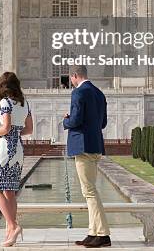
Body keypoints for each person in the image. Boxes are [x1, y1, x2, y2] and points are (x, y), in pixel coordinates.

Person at [63, 65, 111, 248]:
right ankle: (93, 232)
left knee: (90, 192)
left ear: (75, 76)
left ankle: (103, 235)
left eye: (71, 79)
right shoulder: (99, 93)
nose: (71, 82)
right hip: (95, 145)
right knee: (89, 190)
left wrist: (65, 120)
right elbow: (103, 123)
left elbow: (75, 120)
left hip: (83, 146)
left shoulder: (78, 93)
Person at [0, 71, 33, 247]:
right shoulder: (25, 104)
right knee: (10, 191)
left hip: (6, 150)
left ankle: (14, 226)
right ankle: (10, 229)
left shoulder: (5, 102)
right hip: (19, 152)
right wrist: (16, 131)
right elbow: (29, 129)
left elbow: (6, 127)